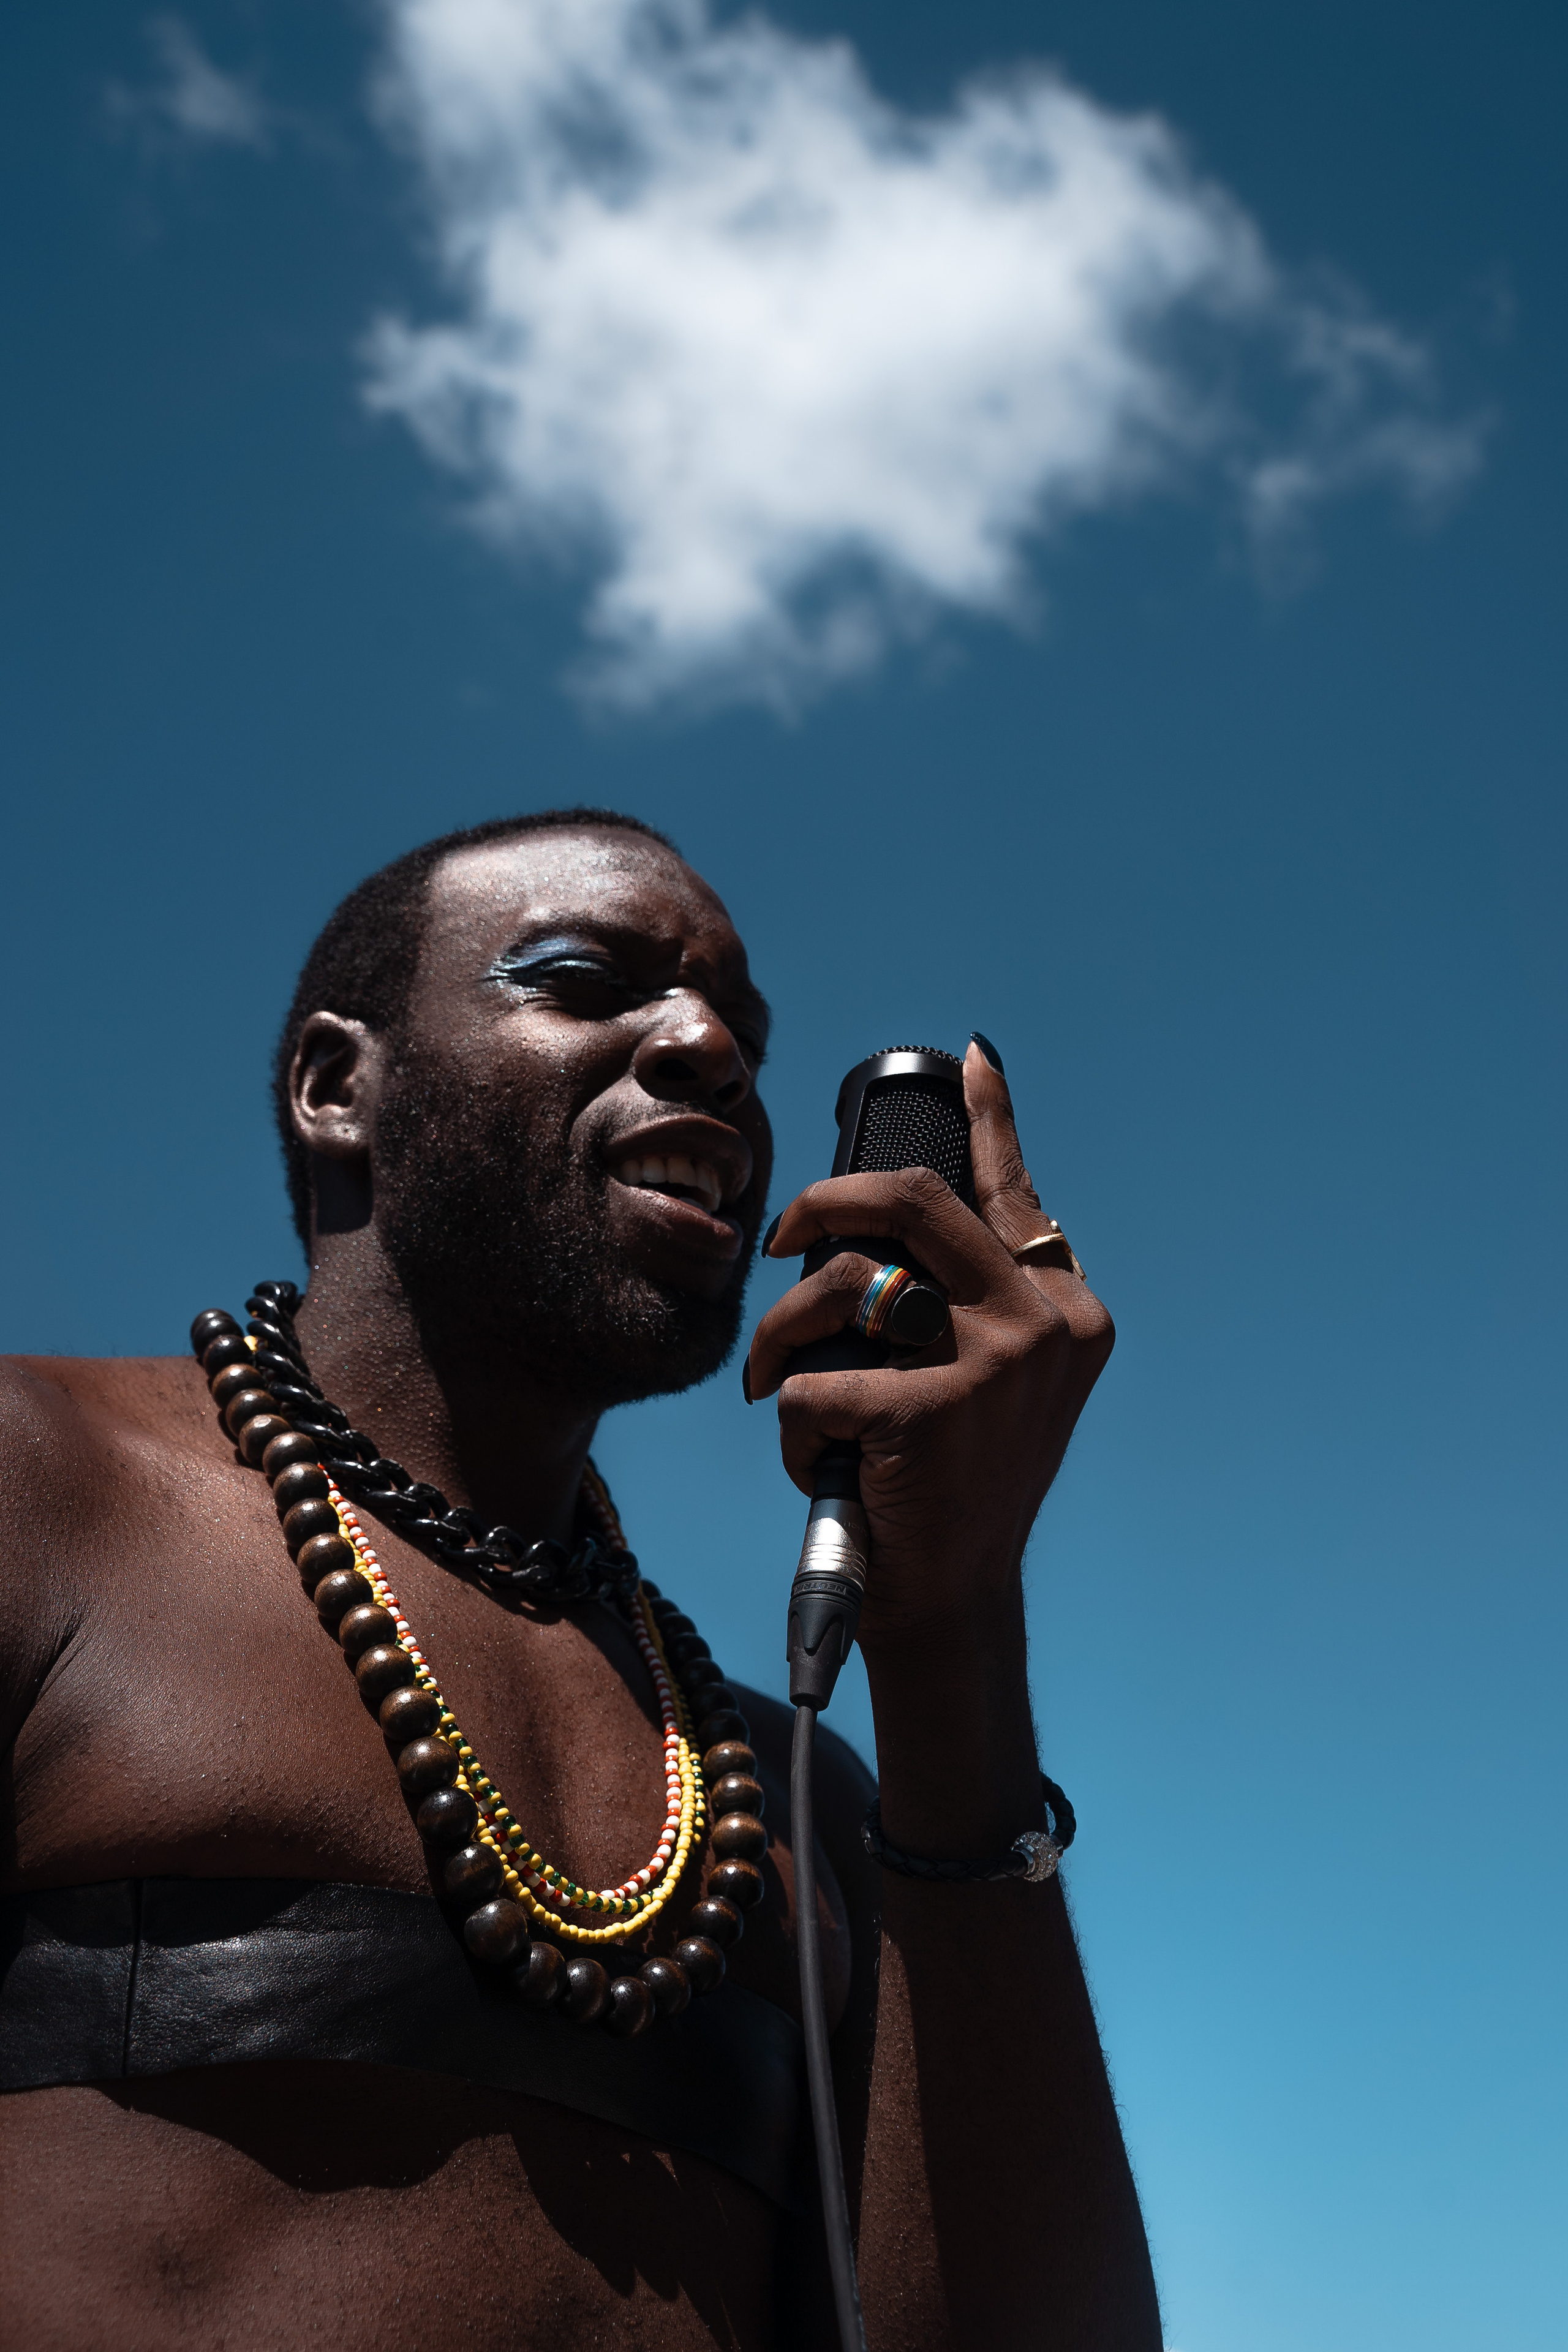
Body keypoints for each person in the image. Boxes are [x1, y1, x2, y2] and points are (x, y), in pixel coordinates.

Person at [0, 809, 1161, 2349]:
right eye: (581, 981)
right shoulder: (40, 1491)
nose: (708, 1049)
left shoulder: (793, 1796)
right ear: (339, 1087)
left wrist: (950, 1630)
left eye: (743, 1032)